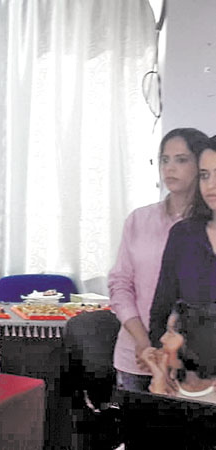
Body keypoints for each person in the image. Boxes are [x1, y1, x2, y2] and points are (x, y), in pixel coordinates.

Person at [108, 128, 208, 392]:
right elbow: (120, 284)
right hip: (137, 355)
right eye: (164, 160)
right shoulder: (139, 220)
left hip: (191, 364)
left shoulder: (206, 228)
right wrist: (143, 342)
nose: (170, 168)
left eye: (181, 160)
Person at [149, 136, 216, 347]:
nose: (210, 185)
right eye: (204, 175)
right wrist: (161, 355)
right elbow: (160, 311)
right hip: (190, 364)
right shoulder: (184, 235)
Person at [142, 300, 216, 402]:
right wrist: (160, 379)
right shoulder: (167, 384)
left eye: (170, 333)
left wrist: (159, 392)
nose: (162, 339)